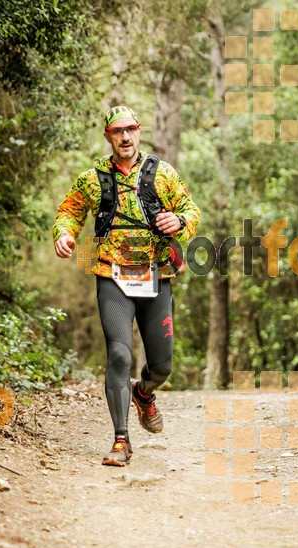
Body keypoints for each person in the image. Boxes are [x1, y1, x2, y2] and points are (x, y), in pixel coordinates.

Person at [53, 106, 201, 466]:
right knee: (119, 355)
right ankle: (121, 440)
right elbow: (69, 211)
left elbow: (192, 210)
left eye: (130, 130)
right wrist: (64, 234)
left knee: (162, 367)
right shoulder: (93, 178)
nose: (125, 137)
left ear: (138, 131)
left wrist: (179, 221)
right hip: (111, 275)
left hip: (156, 273)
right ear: (108, 137)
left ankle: (143, 393)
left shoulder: (162, 173)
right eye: (117, 131)